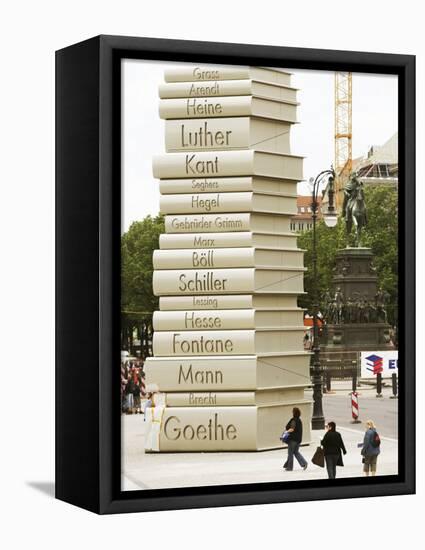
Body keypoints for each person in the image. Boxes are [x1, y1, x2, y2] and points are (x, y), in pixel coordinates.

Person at [283, 407, 308, 471]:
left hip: (293, 440)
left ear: (294, 412)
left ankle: (289, 467)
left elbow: (292, 428)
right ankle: (304, 463)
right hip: (298, 440)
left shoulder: (294, 420)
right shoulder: (299, 420)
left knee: (290, 453)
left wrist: (286, 432)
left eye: (292, 411)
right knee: (296, 452)